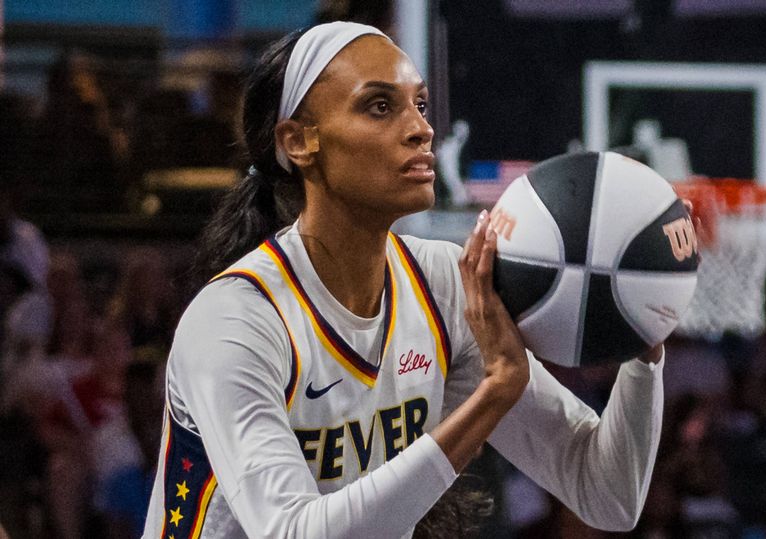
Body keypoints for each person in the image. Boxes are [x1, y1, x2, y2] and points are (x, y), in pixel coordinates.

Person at [142, 21, 664, 538]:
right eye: (379, 106)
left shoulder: (443, 284)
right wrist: (492, 396)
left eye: (420, 105)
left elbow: (607, 495)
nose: (421, 129)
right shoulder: (236, 319)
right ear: (298, 141)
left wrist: (642, 340)